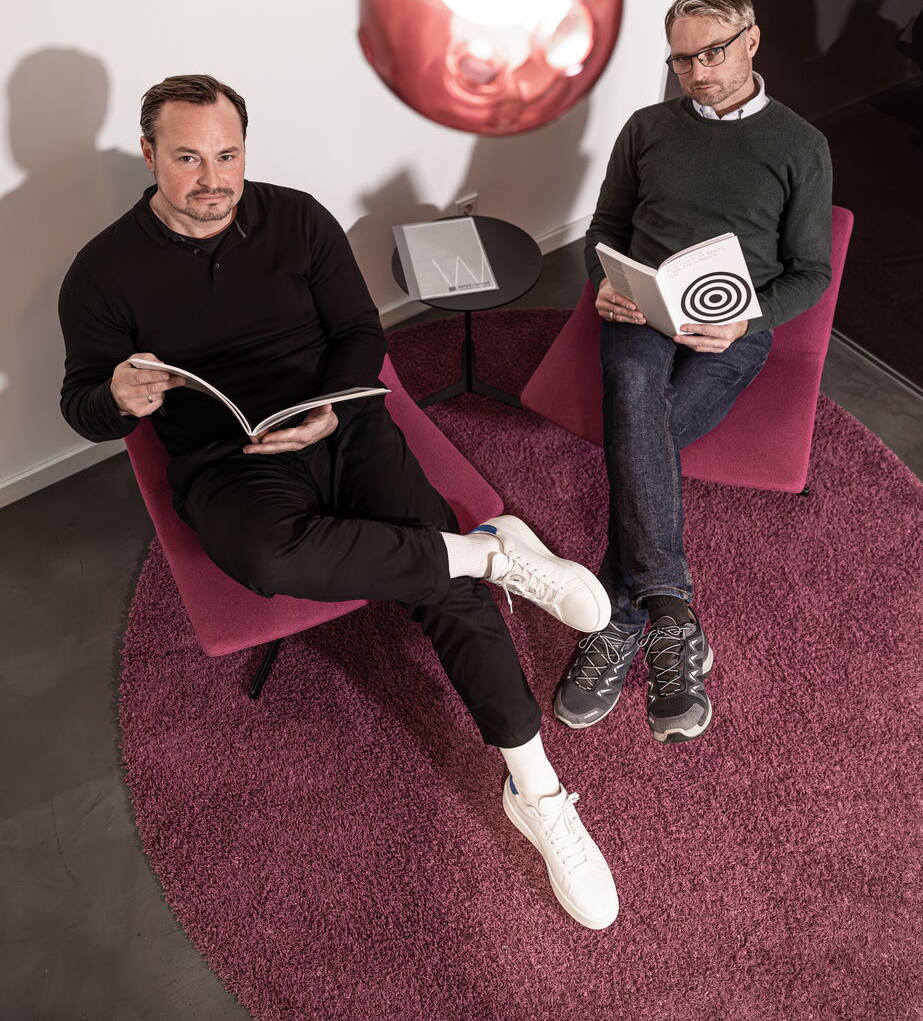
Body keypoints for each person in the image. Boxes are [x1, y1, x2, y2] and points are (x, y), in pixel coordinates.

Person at [58, 74, 619, 930]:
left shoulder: (297, 218)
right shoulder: (102, 272)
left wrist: (333, 403)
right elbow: (82, 408)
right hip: (226, 458)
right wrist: (117, 397)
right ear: (149, 155)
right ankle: (492, 550)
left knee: (442, 586)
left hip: (340, 424)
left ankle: (536, 791)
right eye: (188, 158)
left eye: (228, 155)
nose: (213, 179)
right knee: (272, 556)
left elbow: (359, 331)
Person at [553, 0, 833, 743]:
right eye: (682, 60)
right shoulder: (647, 128)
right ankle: (672, 615)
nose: (698, 73)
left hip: (730, 324)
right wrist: (604, 279)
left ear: (751, 40)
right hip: (644, 305)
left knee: (645, 432)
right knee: (633, 387)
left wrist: (749, 317)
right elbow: (605, 227)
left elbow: (812, 272)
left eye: (712, 53)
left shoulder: (801, 145)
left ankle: (623, 616)